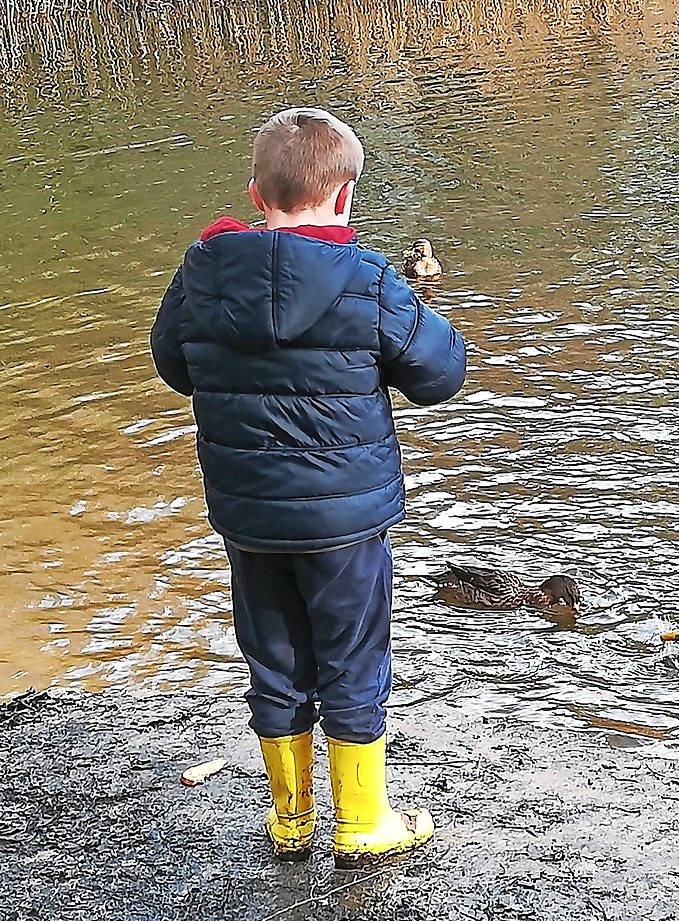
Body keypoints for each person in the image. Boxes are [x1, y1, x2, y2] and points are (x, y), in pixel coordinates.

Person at [150, 107, 466, 869]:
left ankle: (290, 820)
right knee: (353, 659)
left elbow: (173, 368)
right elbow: (441, 375)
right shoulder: (368, 281)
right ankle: (362, 824)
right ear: (346, 195)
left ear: (255, 191)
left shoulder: (202, 271)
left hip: (250, 515)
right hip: (346, 521)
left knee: (274, 657)